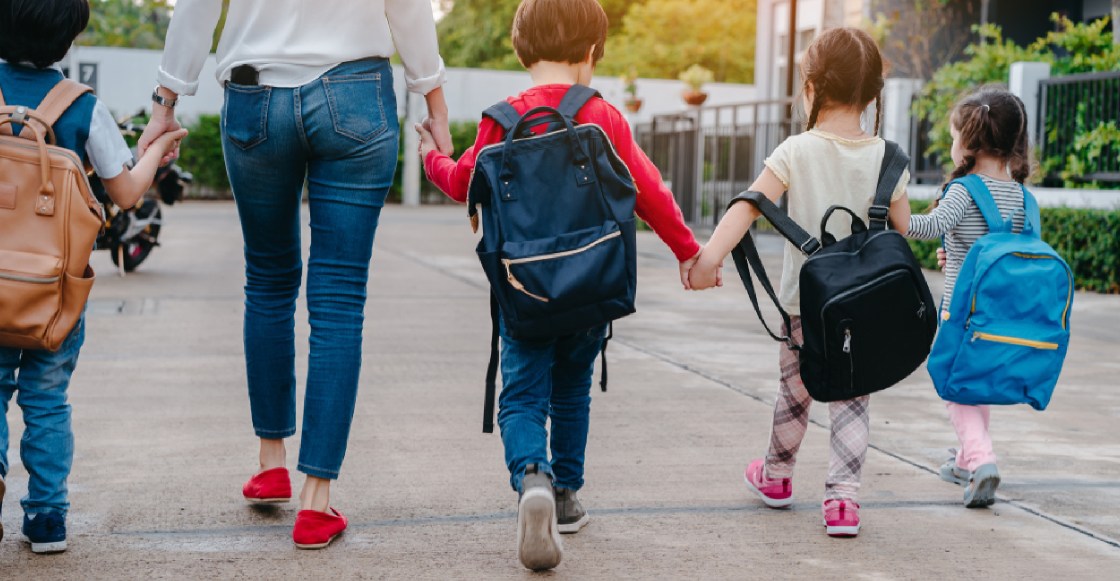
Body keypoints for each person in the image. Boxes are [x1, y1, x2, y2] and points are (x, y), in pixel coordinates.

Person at [139, 0, 453, 549]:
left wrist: (165, 102)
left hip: (255, 95)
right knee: (337, 300)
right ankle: (315, 502)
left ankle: (270, 463)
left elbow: (196, 8)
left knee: (267, 281)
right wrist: (434, 100)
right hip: (357, 94)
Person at [416, 0, 700, 569]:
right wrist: (689, 252)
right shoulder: (602, 116)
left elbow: (463, 182)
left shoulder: (501, 118)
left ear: (522, 49)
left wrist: (431, 156)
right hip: (592, 287)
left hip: (525, 290)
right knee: (572, 388)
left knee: (522, 395)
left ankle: (533, 479)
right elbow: (650, 191)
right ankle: (566, 496)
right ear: (591, 51)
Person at [689, 27, 910, 538]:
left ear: (810, 88)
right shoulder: (889, 158)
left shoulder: (795, 149)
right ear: (874, 93)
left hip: (803, 306)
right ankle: (843, 504)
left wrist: (709, 259)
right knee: (854, 396)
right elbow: (903, 231)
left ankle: (777, 477)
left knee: (795, 394)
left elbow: (749, 203)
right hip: (866, 309)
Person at [0, 0, 186, 553]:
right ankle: (47, 519)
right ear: (67, 40)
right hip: (54, 293)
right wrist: (156, 148)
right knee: (48, 401)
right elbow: (126, 193)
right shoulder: (82, 108)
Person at [906, 86, 1031, 507]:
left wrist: (893, 205)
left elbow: (924, 228)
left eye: (954, 135)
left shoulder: (963, 190)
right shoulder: (1021, 195)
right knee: (975, 383)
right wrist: (955, 250)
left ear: (969, 142)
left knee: (953, 385)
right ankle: (964, 458)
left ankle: (981, 459)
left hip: (960, 311)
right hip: (1001, 312)